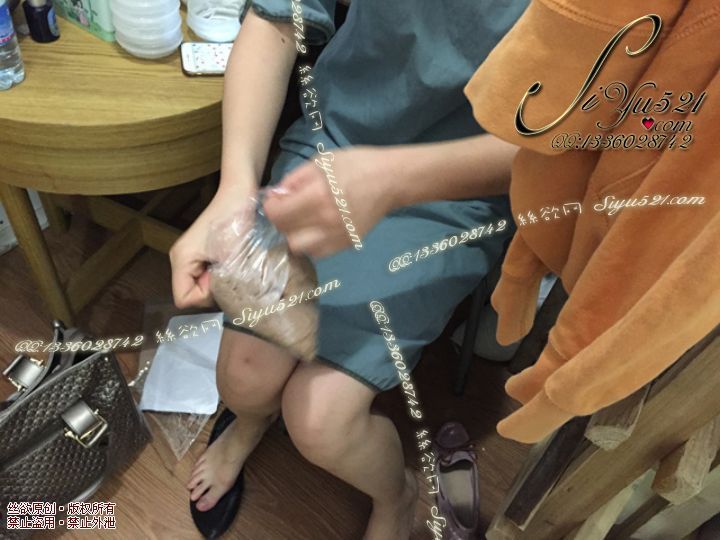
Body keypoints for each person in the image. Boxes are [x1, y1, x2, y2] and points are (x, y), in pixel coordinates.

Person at [170, 1, 528, 538]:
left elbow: (585, 136)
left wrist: (394, 180)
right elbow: (274, 18)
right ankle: (249, 423)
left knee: (320, 421)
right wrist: (235, 189)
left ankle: (397, 494)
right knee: (242, 381)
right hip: (333, 142)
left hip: (455, 191)